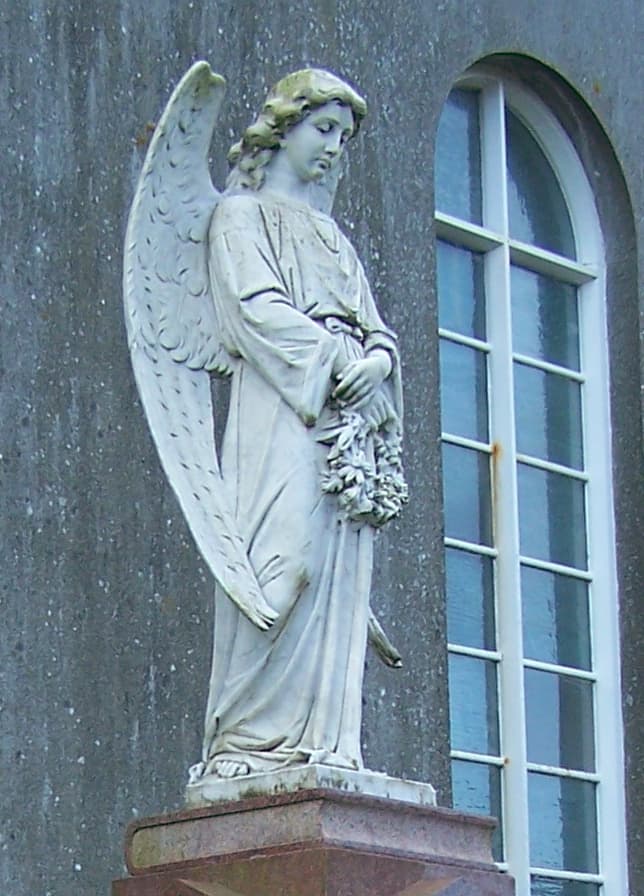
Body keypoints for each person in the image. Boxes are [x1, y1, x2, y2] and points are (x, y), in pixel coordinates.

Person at [192, 69, 407, 780]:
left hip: (342, 428)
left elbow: (377, 331)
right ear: (282, 128)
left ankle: (322, 748)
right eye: (323, 129)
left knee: (337, 579)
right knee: (285, 567)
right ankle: (244, 747)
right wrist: (341, 363)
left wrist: (377, 361)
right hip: (281, 417)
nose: (334, 149)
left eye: (344, 137)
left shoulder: (334, 239)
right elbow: (255, 313)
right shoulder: (240, 218)